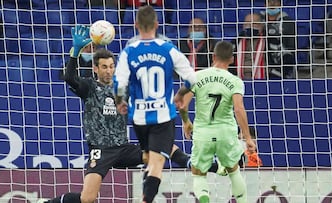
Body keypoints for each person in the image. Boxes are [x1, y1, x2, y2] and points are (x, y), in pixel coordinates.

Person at [46, 25, 222, 203]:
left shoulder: (123, 87)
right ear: (95, 69)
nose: (109, 70)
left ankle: (192, 163)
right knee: (87, 199)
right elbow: (69, 78)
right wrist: (75, 52)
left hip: (123, 148)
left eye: (111, 66)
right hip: (101, 150)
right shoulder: (89, 87)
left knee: (160, 148)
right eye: (104, 67)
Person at [113, 5, 197, 203]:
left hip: (139, 118)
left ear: (136, 25)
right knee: (157, 164)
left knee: (151, 160)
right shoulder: (168, 49)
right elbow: (193, 79)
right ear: (157, 24)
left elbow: (119, 84)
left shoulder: (128, 52)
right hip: (163, 116)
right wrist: (181, 93)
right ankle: (146, 200)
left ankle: (145, 196)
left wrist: (120, 102)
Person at [175, 41, 256, 203]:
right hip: (226, 132)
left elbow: (182, 104)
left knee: (198, 173)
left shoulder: (197, 77)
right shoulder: (235, 81)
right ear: (232, 59)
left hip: (203, 132)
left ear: (213, 57)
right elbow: (239, 110)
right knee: (234, 171)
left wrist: (186, 122)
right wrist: (247, 138)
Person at [261, 0, 296, 79]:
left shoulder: (287, 21)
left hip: (281, 55)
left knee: (287, 57)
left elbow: (290, 45)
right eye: (269, 2)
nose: (272, 4)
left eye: (275, 2)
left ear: (280, 5)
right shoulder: (259, 19)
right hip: (262, 53)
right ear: (264, 5)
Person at [230, 13, 267, 80]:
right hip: (237, 78)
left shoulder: (269, 41)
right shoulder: (236, 41)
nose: (250, 26)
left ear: (262, 26)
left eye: (254, 24)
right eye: (247, 24)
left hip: (265, 78)